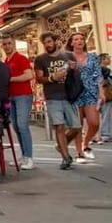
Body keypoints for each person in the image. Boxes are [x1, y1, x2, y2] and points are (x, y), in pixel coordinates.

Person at [34, 32, 80, 170]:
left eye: (49, 42)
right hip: (52, 96)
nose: (47, 45)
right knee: (59, 127)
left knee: (76, 127)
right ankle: (65, 158)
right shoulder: (40, 59)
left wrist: (74, 68)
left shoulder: (68, 55)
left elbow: (77, 75)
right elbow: (39, 78)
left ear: (55, 41)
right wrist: (52, 78)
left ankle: (61, 145)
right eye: (45, 43)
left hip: (69, 95)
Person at [66, 32, 103, 163]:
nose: (79, 41)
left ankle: (85, 143)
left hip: (91, 92)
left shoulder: (92, 57)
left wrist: (101, 92)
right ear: (71, 43)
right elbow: (63, 73)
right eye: (76, 39)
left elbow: (98, 75)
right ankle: (79, 153)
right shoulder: (67, 57)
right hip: (75, 93)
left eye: (81, 39)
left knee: (94, 123)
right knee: (78, 124)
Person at [1, 35, 36, 170]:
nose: (7, 46)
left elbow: (29, 75)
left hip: (23, 95)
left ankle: (29, 157)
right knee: (16, 126)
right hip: (11, 96)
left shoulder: (21, 58)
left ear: (13, 44)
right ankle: (24, 155)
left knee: (22, 125)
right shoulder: (6, 61)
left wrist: (11, 79)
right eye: (4, 44)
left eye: (9, 43)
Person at [99, 53, 112, 143]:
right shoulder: (105, 70)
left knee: (105, 114)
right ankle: (105, 134)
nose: (110, 59)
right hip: (106, 94)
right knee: (106, 113)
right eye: (108, 58)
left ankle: (106, 133)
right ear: (103, 60)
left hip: (103, 94)